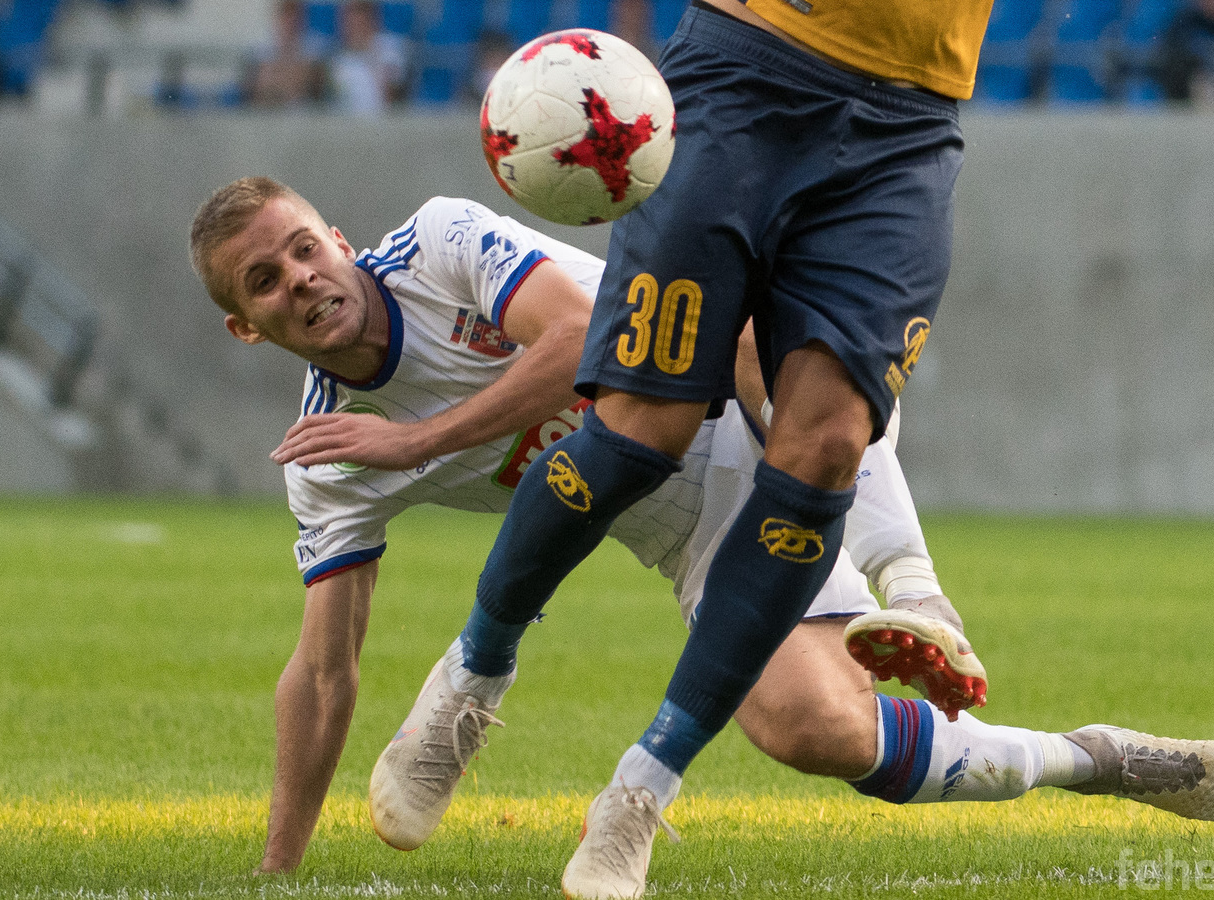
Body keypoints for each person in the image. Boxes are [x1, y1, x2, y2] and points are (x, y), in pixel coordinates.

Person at [187, 178, 1214, 879]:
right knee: (815, 732)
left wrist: (419, 442)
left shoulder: (438, 242)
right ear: (244, 330)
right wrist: (279, 871)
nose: (302, 281)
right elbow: (321, 671)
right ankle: (1092, 759)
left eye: (303, 248)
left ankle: (916, 593)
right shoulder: (327, 459)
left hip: (746, 393)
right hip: (693, 528)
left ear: (336, 236)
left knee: (754, 338)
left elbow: (579, 340)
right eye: (265, 283)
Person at [375, 1, 1031, 897]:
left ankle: (644, 786)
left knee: (830, 443)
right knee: (639, 432)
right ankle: (474, 673)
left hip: (907, 123)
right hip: (749, 71)